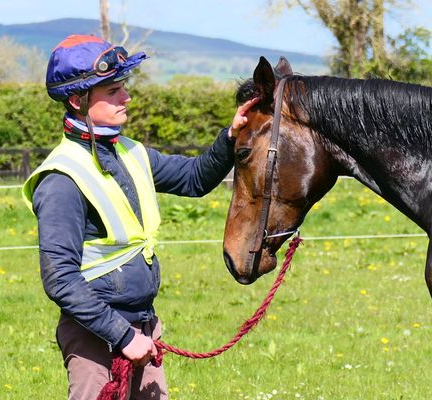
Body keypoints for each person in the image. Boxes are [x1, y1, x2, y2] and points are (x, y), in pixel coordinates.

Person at [22, 34, 258, 400]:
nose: (126, 97)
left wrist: (230, 136)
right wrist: (122, 335)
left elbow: (194, 179)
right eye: (113, 90)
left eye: (123, 87)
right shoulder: (60, 180)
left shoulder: (131, 153)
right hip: (95, 337)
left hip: (143, 326)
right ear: (76, 100)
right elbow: (60, 280)